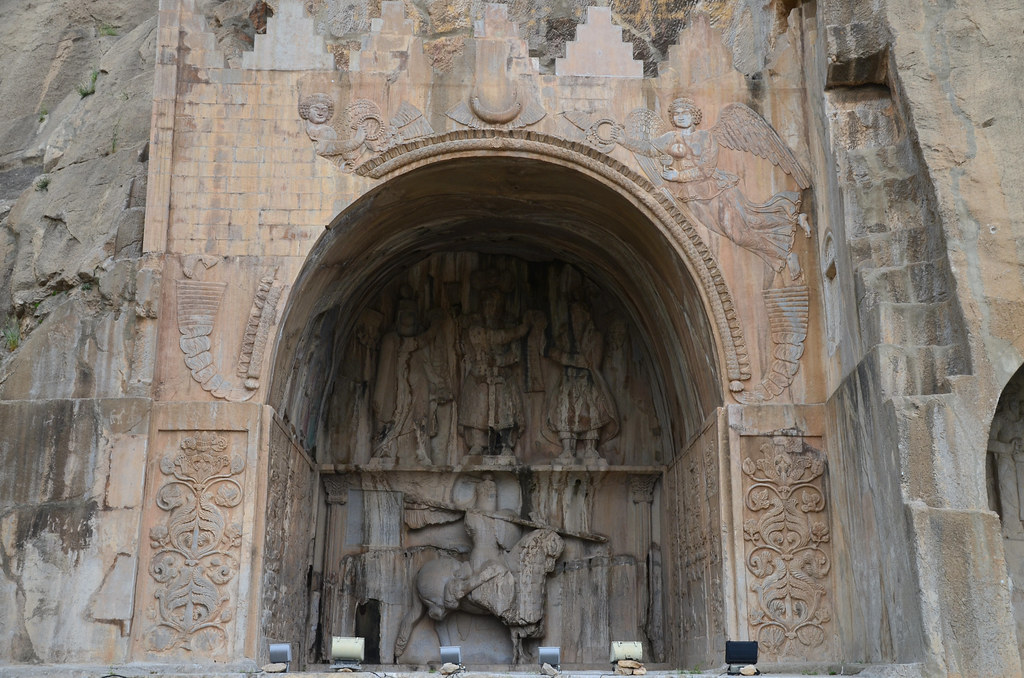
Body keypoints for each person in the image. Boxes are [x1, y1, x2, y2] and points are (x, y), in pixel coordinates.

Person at [653, 97, 808, 282]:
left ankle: (787, 238)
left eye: (685, 112)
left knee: (740, 232)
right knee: (744, 226)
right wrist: (623, 138)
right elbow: (647, 147)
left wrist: (678, 176)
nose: (680, 116)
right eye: (676, 113)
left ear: (694, 115)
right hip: (693, 197)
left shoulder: (707, 137)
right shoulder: (669, 138)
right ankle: (792, 219)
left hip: (717, 190)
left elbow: (707, 169)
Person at [458, 288, 536, 456]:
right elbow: (482, 339)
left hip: (502, 374)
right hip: (479, 374)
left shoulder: (509, 325)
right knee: (477, 408)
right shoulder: (475, 328)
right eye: (486, 304)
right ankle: (477, 443)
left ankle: (505, 444)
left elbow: (515, 354)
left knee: (505, 410)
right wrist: (520, 329)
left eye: (493, 304)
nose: (489, 308)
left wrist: (499, 360)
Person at [545, 301, 617, 462]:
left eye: (577, 314)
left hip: (588, 381)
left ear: (586, 315)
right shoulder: (565, 337)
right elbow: (550, 350)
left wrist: (563, 357)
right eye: (572, 314)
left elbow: (591, 362)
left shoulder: (595, 337)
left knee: (592, 414)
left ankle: (591, 449)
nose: (574, 318)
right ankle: (567, 449)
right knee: (564, 413)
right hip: (568, 382)